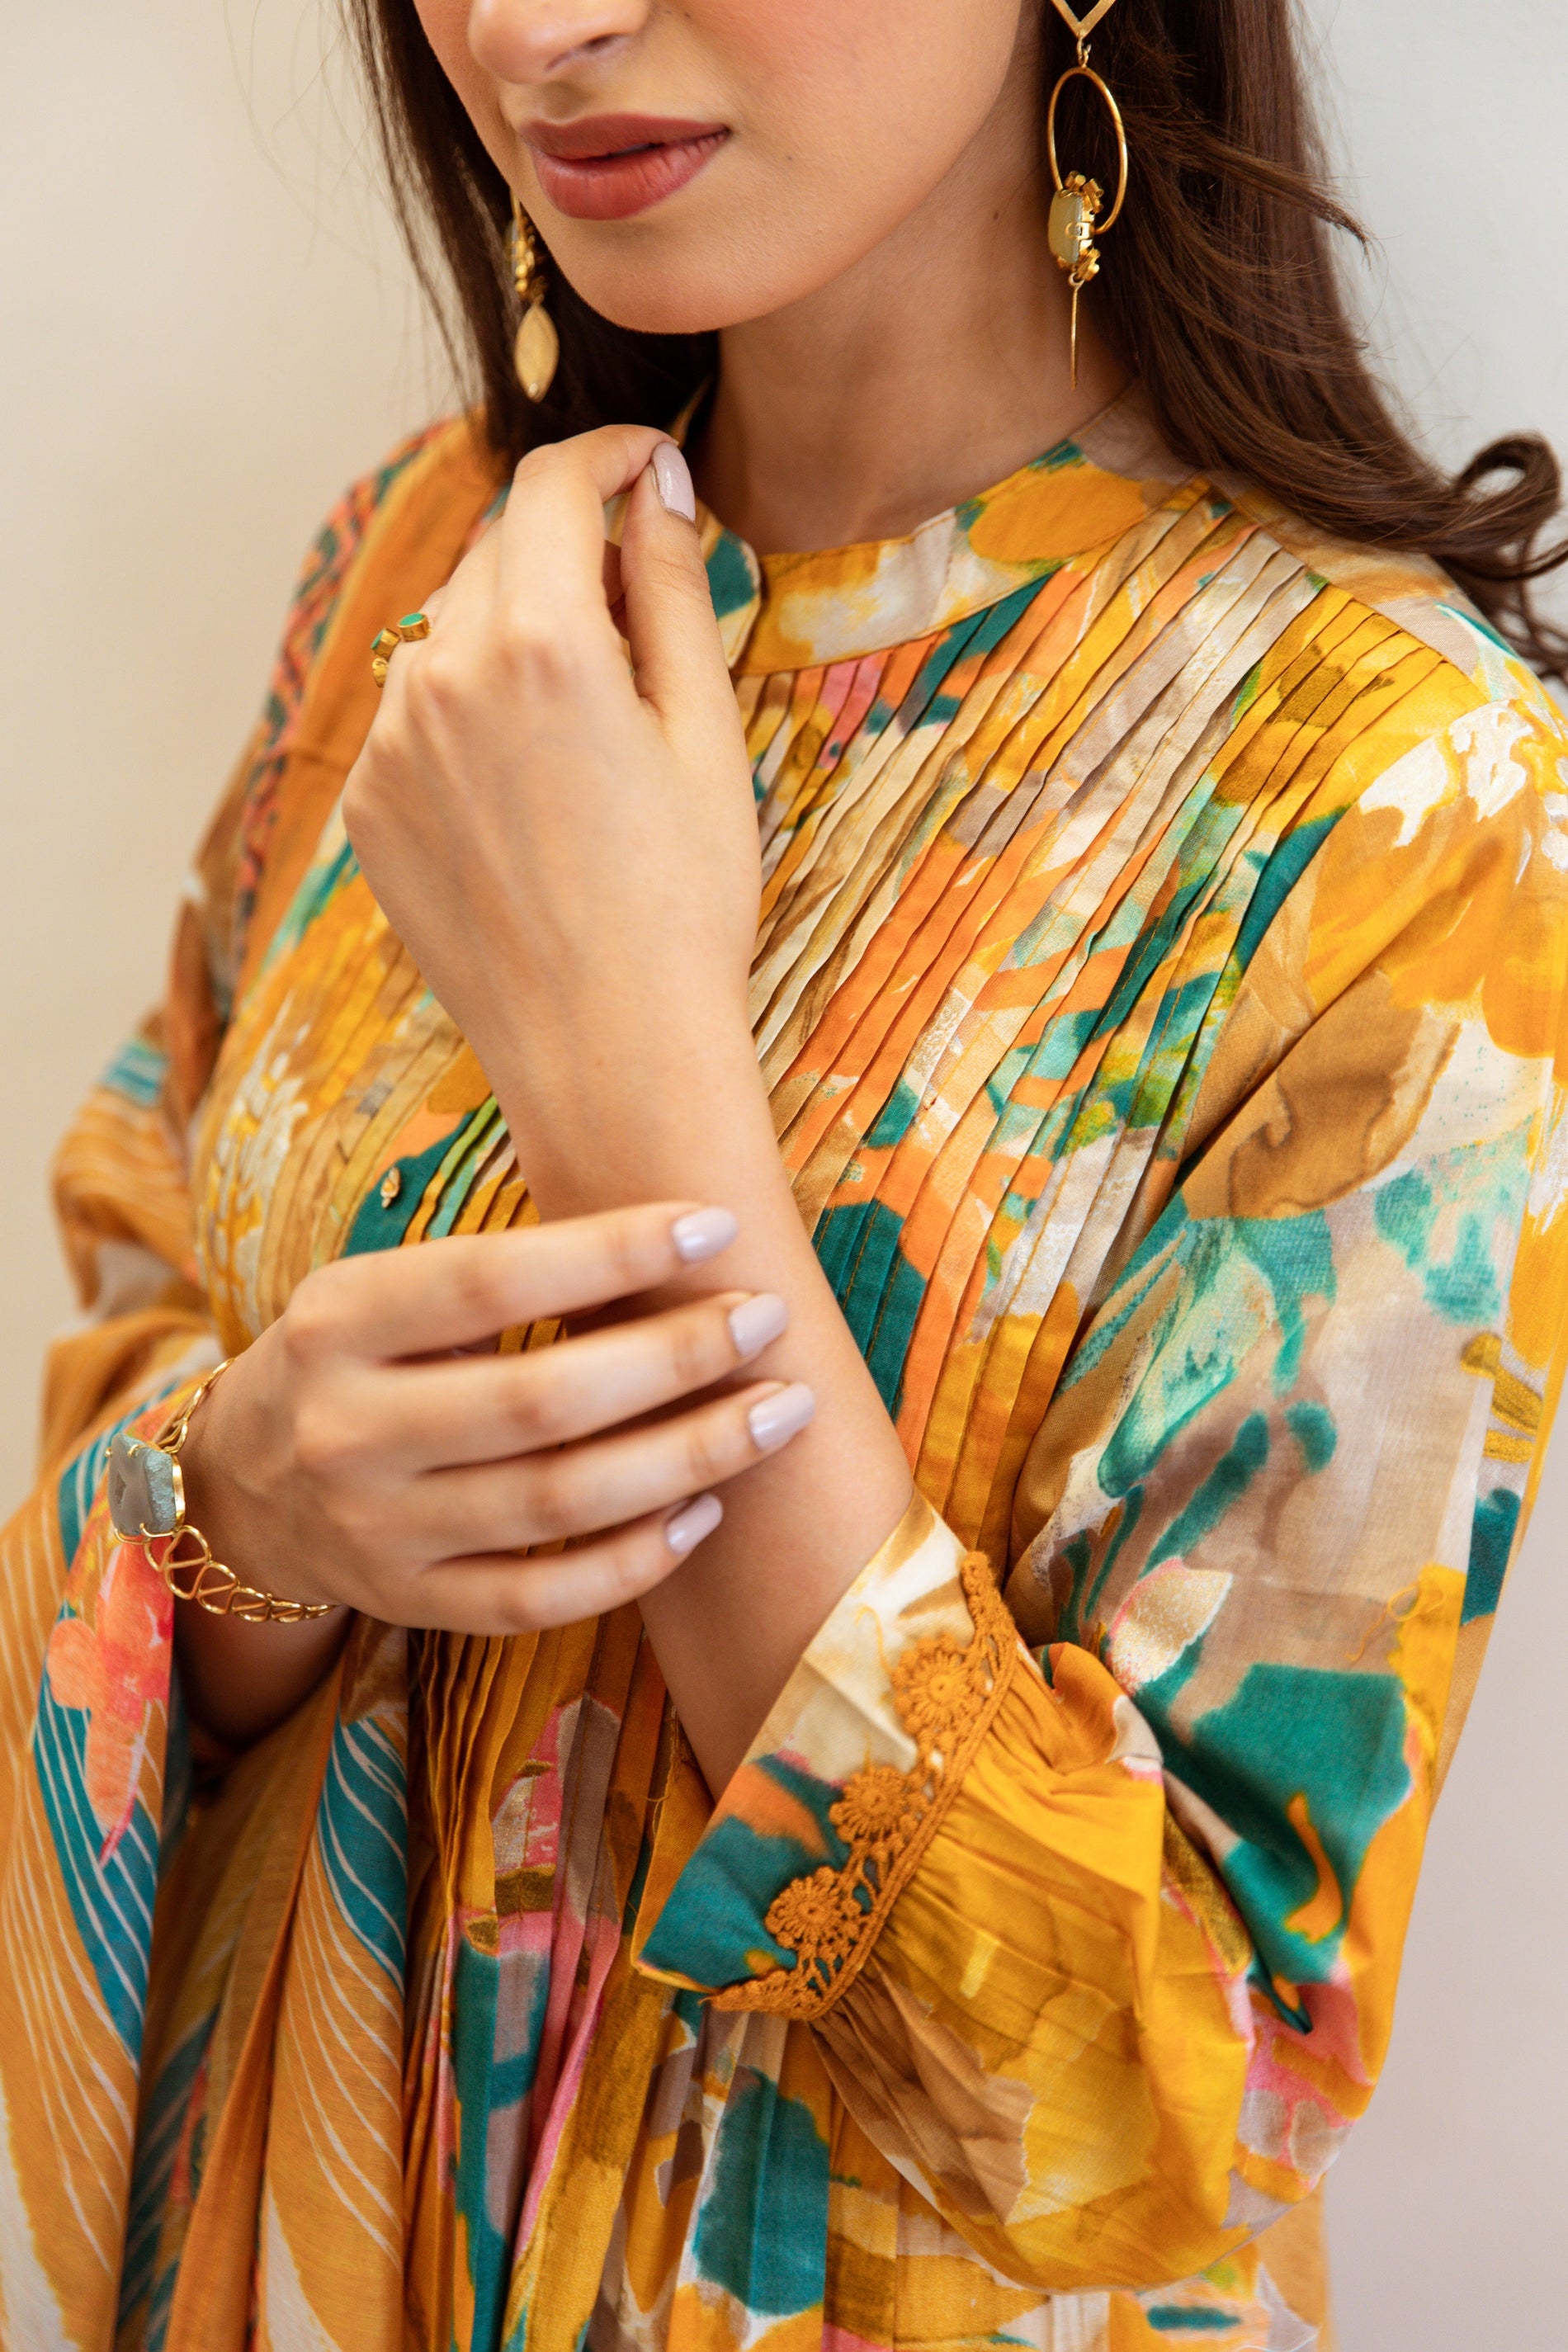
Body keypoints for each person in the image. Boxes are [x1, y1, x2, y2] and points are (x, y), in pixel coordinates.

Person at [3, 0, 1566, 2345]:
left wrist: (628, 1077)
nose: (529, 24)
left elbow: (1165, 2105)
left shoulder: (1401, 811)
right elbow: (136, 1320)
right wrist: (247, 1517)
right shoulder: (424, 585)